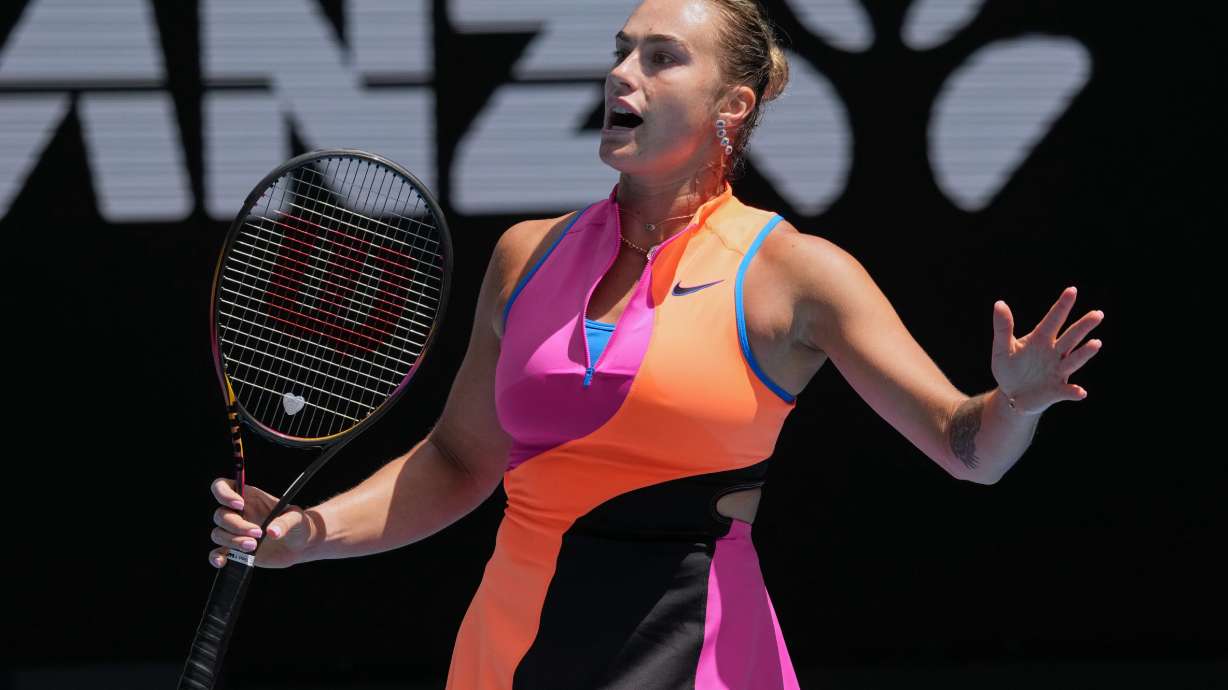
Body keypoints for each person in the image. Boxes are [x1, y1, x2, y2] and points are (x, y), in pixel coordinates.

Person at [206, 0, 1105, 687]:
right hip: (509, 653)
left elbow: (966, 448)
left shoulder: (796, 275)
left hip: (695, 656)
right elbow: (456, 461)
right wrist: (304, 534)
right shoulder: (528, 255)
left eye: (660, 58)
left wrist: (1016, 400)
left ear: (731, 106)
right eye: (620, 53)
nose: (621, 74)